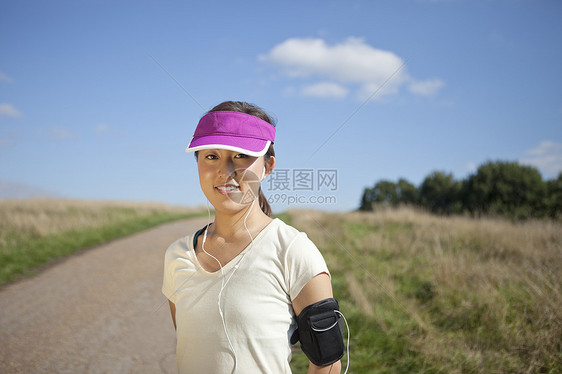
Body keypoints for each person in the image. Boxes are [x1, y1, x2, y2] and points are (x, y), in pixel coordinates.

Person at [162, 101, 344, 373]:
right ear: (197, 163)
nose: (225, 170)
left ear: (268, 166)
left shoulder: (293, 251)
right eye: (211, 156)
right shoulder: (178, 256)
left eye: (241, 156)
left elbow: (327, 363)